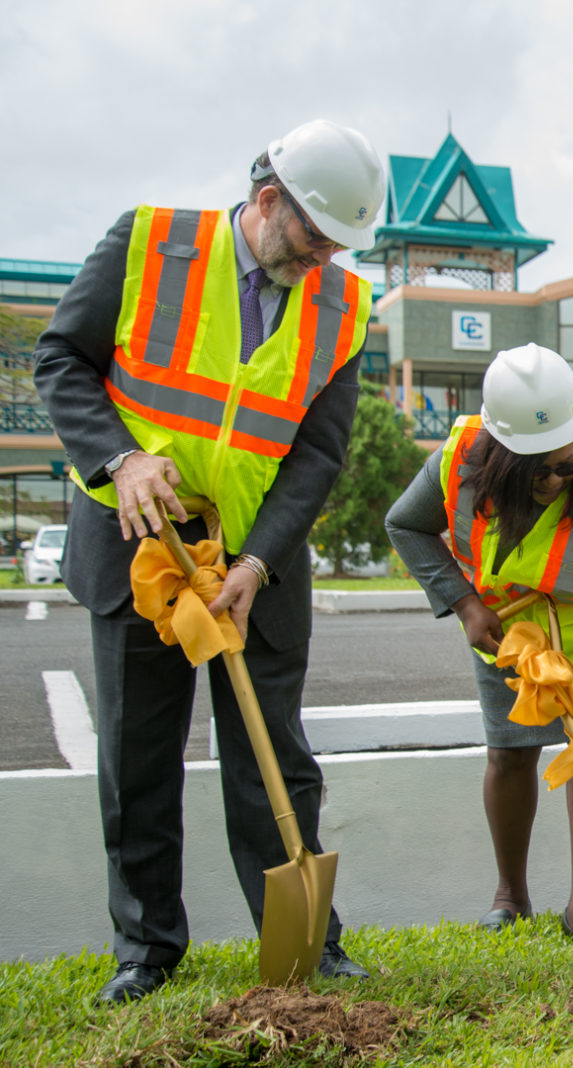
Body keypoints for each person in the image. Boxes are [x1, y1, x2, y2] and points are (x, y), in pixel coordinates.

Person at [33, 119, 385, 1003]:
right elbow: (61, 360)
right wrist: (119, 459)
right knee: (137, 758)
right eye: (311, 241)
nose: (320, 263)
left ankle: (305, 942)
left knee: (276, 761)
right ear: (268, 202)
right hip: (139, 549)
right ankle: (145, 951)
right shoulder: (147, 243)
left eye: (338, 249)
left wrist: (259, 563)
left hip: (254, 562)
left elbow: (317, 454)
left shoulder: (343, 306)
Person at [385, 344, 573, 950]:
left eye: (569, 462)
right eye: (540, 470)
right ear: (501, 457)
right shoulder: (459, 460)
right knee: (509, 754)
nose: (559, 478)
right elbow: (405, 524)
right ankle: (511, 896)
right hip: (505, 635)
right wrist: (464, 604)